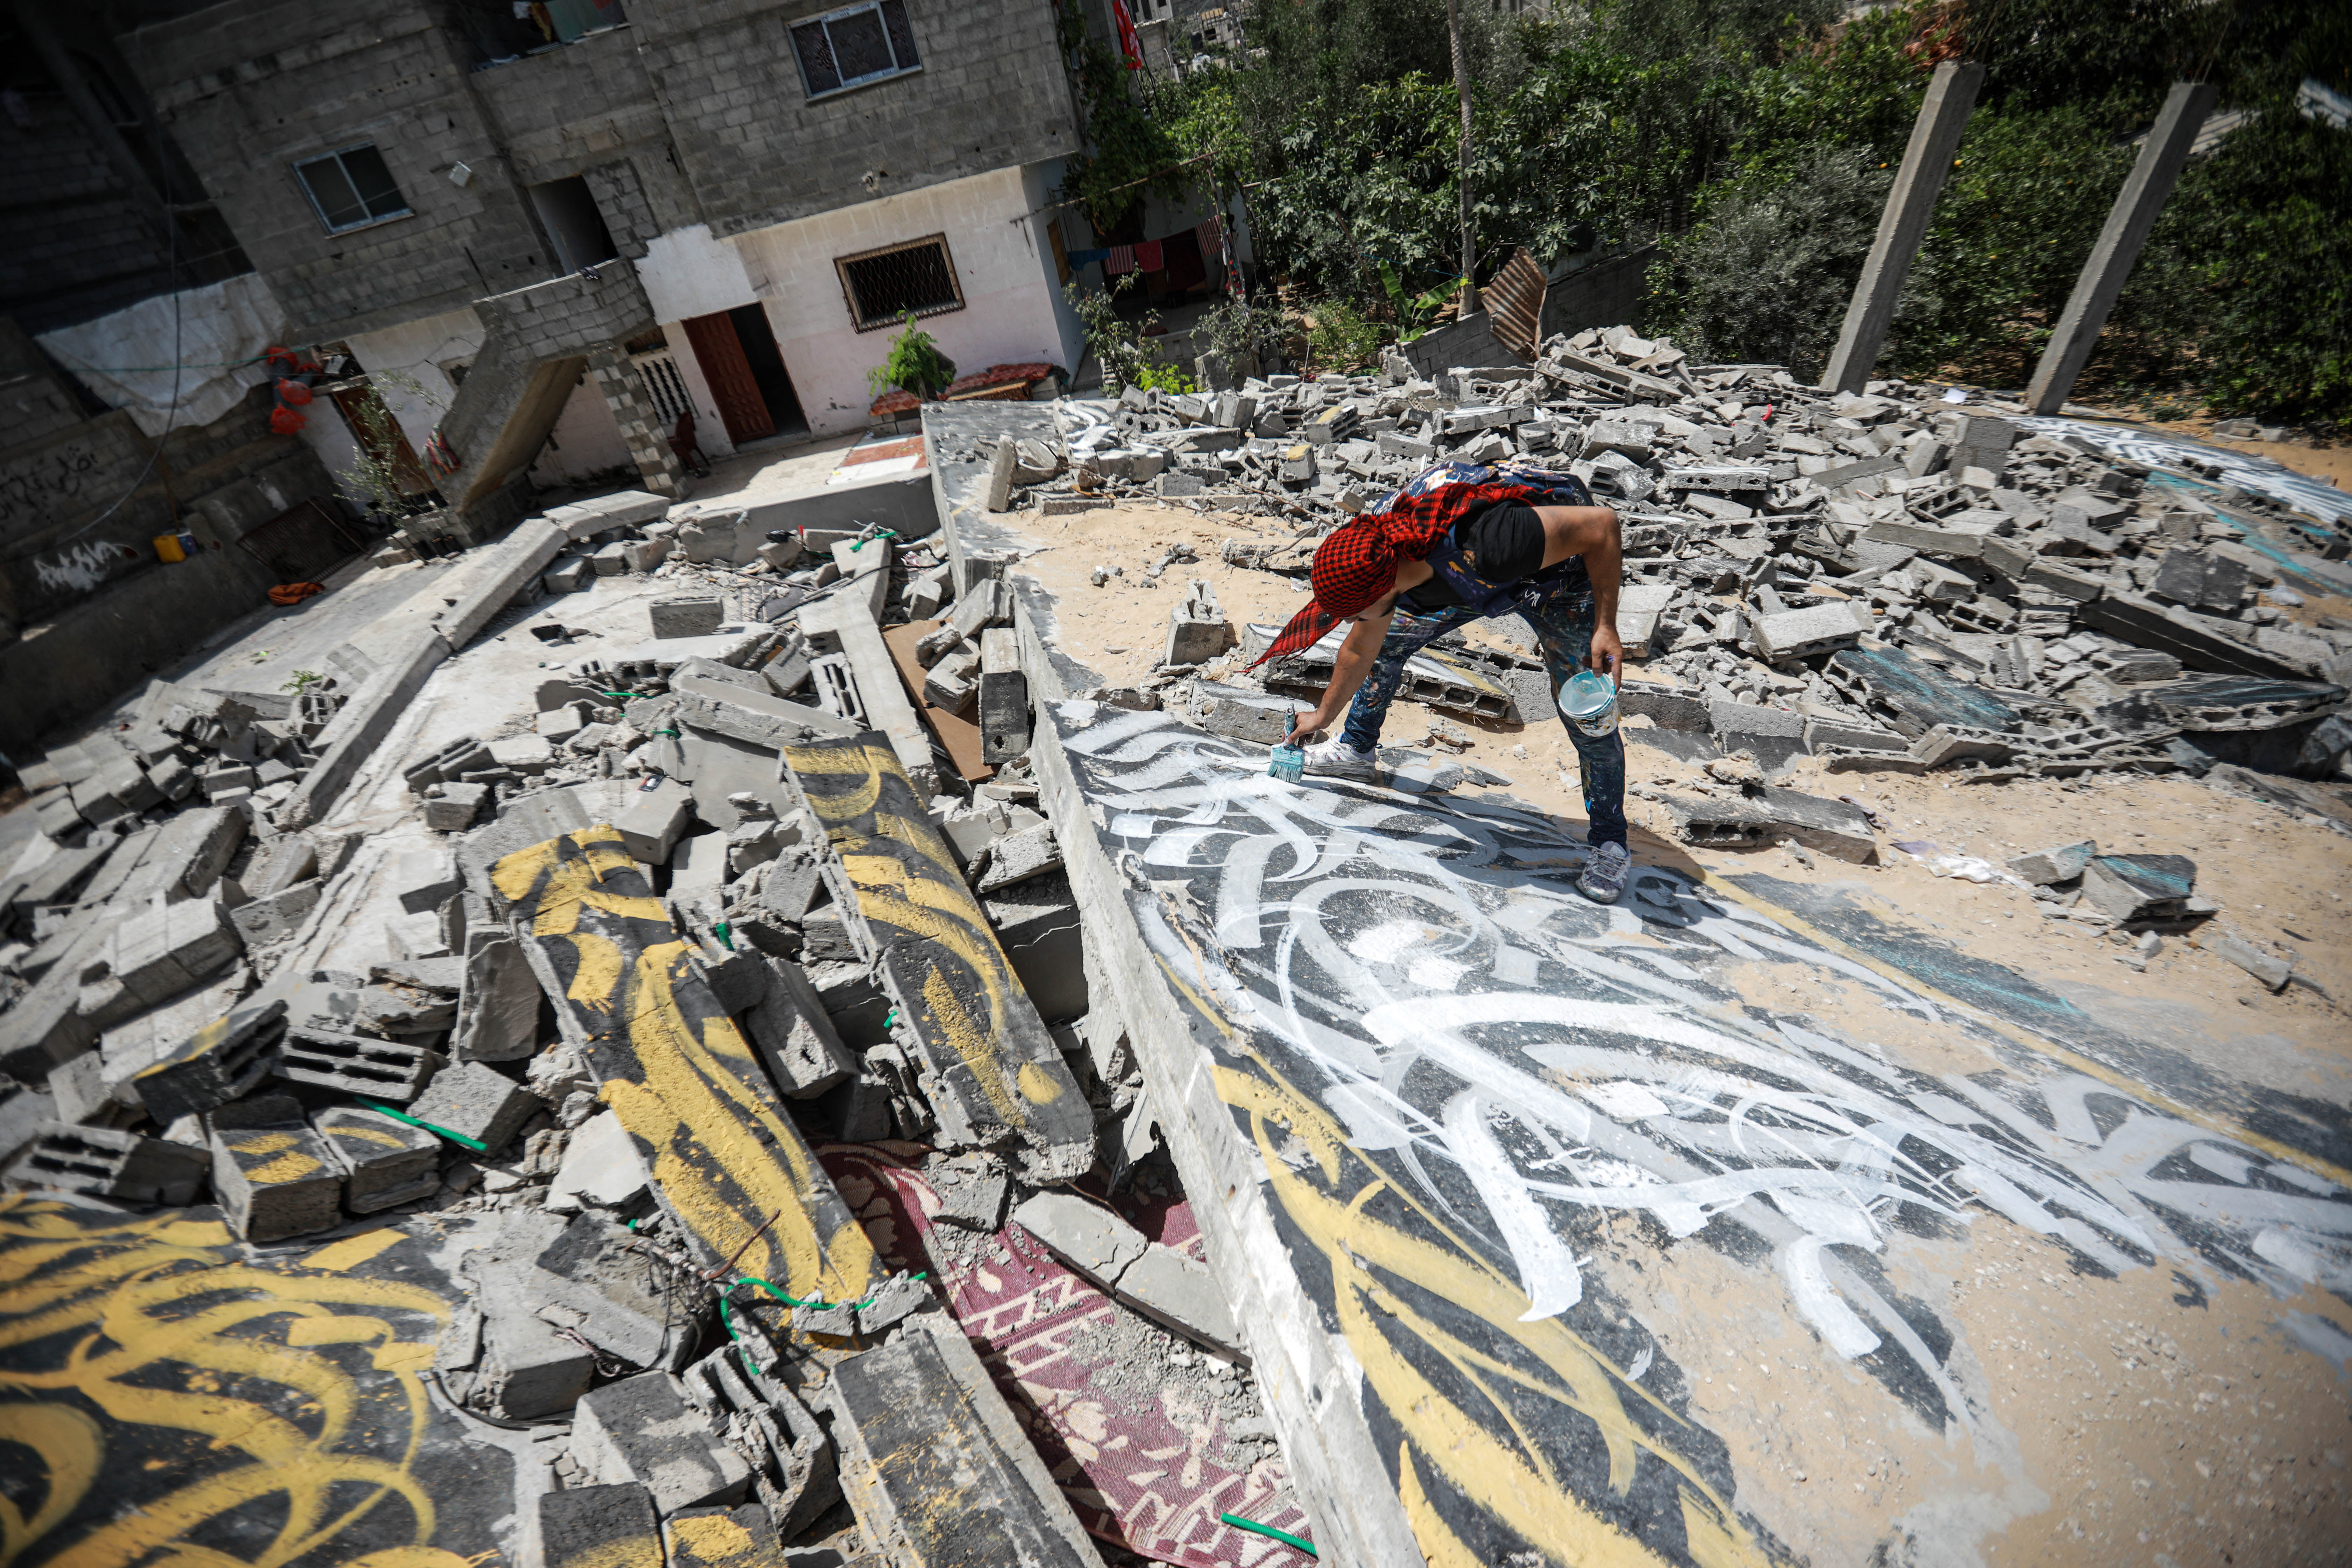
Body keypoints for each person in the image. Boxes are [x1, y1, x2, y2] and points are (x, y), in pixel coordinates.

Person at [1252, 461, 1632, 904]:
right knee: (1388, 642)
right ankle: (1356, 749)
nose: (1352, 622)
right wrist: (1322, 716)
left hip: (1558, 578)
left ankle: (1611, 841)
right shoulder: (1379, 554)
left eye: (1355, 613)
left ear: (1385, 589)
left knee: (1585, 711)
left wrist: (1607, 626)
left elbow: (1603, 526)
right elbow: (1360, 649)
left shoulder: (1492, 542)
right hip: (1466, 580)